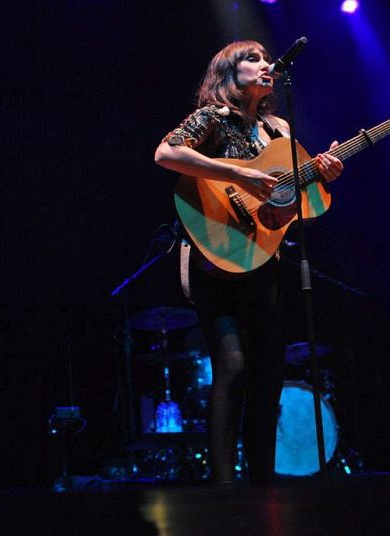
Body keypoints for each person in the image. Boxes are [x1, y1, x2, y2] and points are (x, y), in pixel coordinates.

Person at [154, 40, 343, 484]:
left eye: (265, 58)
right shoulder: (213, 117)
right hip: (213, 259)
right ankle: (223, 486)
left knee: (269, 373)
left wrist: (322, 175)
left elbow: (296, 201)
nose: (265, 64)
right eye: (252, 59)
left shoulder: (278, 130)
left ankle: (263, 485)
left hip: (262, 259)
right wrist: (238, 172)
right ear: (228, 72)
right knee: (234, 365)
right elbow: (166, 153)